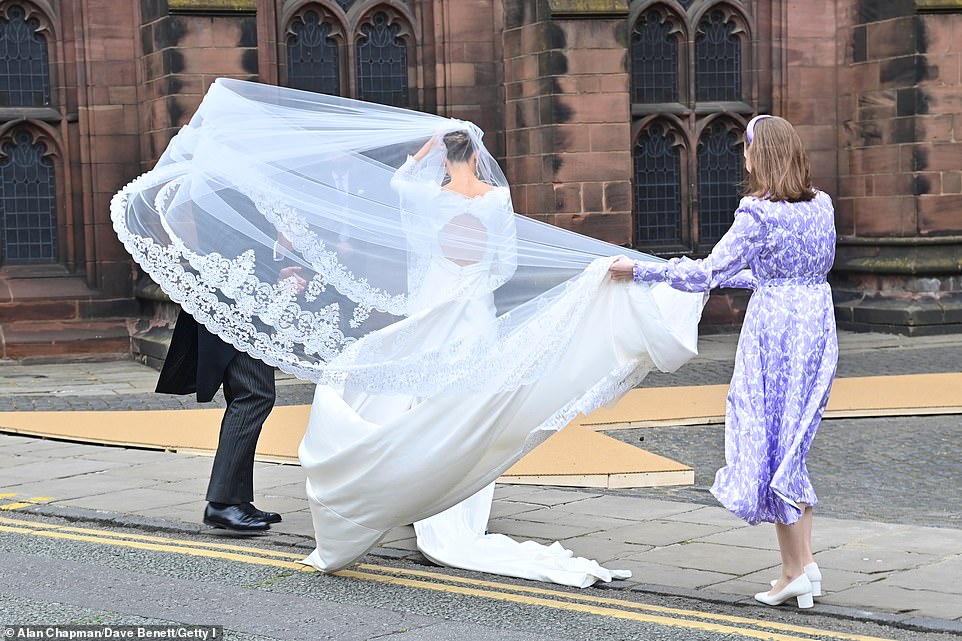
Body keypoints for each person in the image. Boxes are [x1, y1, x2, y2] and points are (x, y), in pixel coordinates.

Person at [610, 114, 838, 609]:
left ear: (764, 155)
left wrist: (641, 271)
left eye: (748, 149)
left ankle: (794, 570)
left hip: (776, 331)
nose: (745, 158)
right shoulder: (822, 206)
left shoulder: (756, 213)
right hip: (817, 323)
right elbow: (773, 274)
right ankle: (803, 566)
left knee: (770, 438)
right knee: (792, 441)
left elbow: (709, 272)